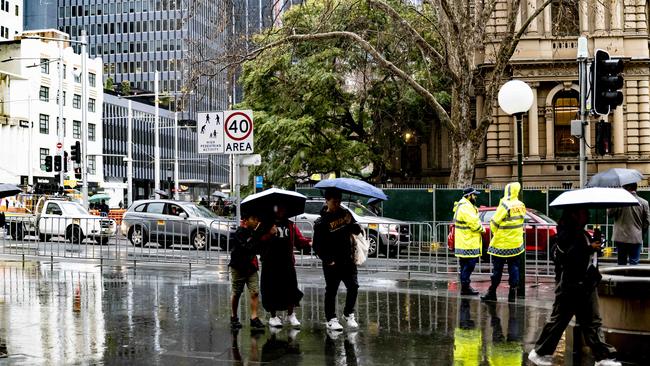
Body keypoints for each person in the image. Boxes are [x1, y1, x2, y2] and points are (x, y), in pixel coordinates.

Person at [528, 207, 621, 366]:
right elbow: (570, 257)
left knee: (592, 320)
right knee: (559, 321)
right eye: (584, 212)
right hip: (570, 285)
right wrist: (589, 248)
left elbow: (583, 254)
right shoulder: (566, 233)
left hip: (585, 284)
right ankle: (539, 352)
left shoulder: (580, 232)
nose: (587, 215)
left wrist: (593, 248)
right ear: (574, 214)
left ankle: (603, 356)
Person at [313, 188, 362, 331]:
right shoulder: (321, 222)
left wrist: (350, 223)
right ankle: (331, 318)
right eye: (334, 202)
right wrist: (327, 259)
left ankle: (348, 313)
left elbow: (357, 231)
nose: (337, 204)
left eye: (339, 201)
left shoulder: (345, 214)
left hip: (347, 259)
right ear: (327, 201)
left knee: (353, 286)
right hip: (332, 262)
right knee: (332, 290)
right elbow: (317, 245)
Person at [258, 204, 311, 329]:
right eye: (278, 208)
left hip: (286, 262)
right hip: (270, 263)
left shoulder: (290, 224)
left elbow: (299, 240)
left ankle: (291, 314)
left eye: (283, 208)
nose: (281, 211)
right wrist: (269, 234)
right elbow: (258, 241)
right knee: (271, 289)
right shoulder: (266, 224)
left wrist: (308, 242)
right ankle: (273, 316)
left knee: (290, 288)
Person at [481, 182, 526, 302]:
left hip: (501, 244)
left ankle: (492, 292)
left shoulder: (505, 205)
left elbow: (494, 222)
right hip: (516, 244)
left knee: (497, 270)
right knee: (514, 268)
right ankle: (512, 292)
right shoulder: (521, 205)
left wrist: (496, 233)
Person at [228, 212, 270, 330]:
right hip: (238, 267)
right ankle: (234, 317)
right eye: (254, 218)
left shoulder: (255, 232)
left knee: (255, 291)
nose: (256, 221)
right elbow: (247, 247)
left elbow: (259, 247)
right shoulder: (239, 233)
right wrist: (257, 235)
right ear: (246, 220)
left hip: (251, 267)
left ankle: (254, 317)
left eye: (257, 219)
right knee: (237, 292)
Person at [607, 182, 650, 265]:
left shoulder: (618, 201)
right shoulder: (644, 203)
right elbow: (647, 221)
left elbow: (609, 214)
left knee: (621, 262)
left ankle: (621, 278)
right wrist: (641, 232)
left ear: (627, 188)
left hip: (620, 237)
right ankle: (632, 278)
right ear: (635, 188)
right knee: (634, 262)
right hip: (636, 236)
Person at [452, 187, 485, 295]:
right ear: (469, 196)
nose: (475, 197)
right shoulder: (466, 207)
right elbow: (474, 223)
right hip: (468, 241)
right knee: (470, 264)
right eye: (474, 195)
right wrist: (482, 229)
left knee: (465, 265)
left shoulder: (465, 205)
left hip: (465, 241)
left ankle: (465, 287)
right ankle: (465, 287)